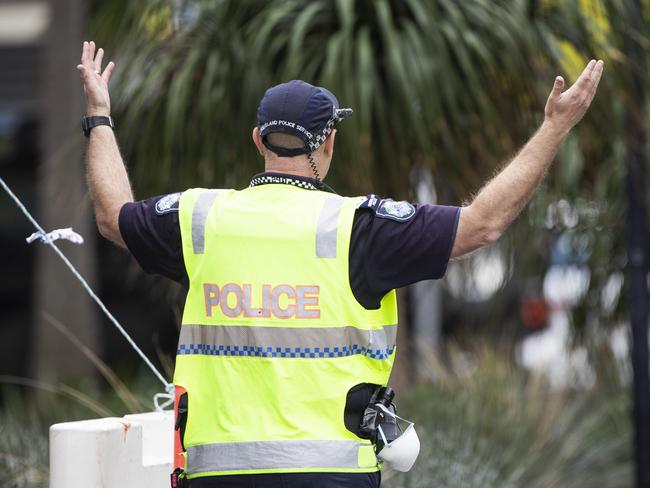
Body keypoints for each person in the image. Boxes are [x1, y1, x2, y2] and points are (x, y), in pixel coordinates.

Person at [76, 40, 603, 488]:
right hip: (331, 475)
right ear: (328, 142)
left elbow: (111, 216)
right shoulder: (359, 228)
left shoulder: (199, 218)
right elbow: (483, 224)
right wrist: (555, 128)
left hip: (219, 473)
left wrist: (99, 116)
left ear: (259, 141)